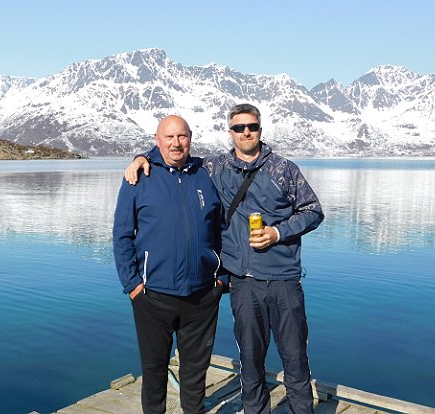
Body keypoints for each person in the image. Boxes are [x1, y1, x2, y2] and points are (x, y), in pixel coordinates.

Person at [125, 104, 324, 414]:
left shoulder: (284, 169)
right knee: (250, 362)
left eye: (252, 127)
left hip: (284, 278)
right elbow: (174, 154)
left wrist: (277, 233)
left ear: (260, 130)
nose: (246, 132)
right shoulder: (216, 167)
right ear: (230, 133)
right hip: (242, 281)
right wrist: (142, 157)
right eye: (239, 128)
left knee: (295, 359)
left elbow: (313, 211)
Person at [113, 115, 226, 414]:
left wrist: (221, 279)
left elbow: (221, 230)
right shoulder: (139, 178)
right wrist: (133, 286)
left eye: (182, 136)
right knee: (154, 371)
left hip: (202, 296)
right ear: (157, 139)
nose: (176, 143)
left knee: (195, 373)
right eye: (169, 137)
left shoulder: (206, 176)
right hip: (153, 296)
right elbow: (122, 235)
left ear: (190, 138)